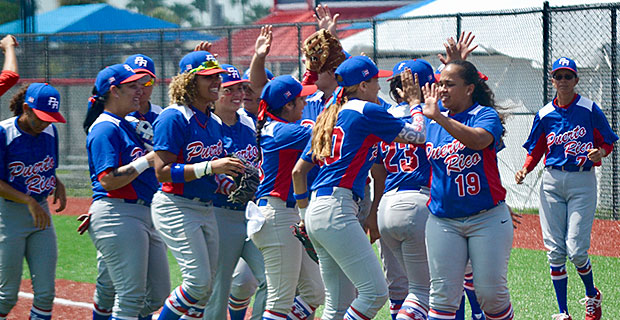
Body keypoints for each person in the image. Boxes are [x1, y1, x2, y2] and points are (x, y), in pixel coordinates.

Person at [291, 55, 426, 320]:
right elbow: (419, 135)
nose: (379, 87)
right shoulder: (366, 110)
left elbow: (299, 171)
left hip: (317, 206)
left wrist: (304, 216)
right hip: (337, 207)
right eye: (375, 80)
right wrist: (416, 105)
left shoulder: (330, 114)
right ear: (362, 85)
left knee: (337, 304)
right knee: (374, 293)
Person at [515, 57, 615, 320]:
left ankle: (592, 294)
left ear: (576, 80)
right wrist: (525, 168)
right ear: (552, 81)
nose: (563, 81)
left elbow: (608, 142)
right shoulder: (545, 113)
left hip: (582, 181)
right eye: (558, 77)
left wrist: (600, 152)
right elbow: (537, 148)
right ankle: (562, 312)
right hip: (551, 182)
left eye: (567, 76)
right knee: (555, 251)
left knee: (576, 250)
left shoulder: (589, 108)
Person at [151, 51, 245, 320]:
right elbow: (163, 172)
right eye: (208, 77)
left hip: (205, 208)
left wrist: (226, 182)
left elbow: (211, 167)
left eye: (217, 76)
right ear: (190, 82)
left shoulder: (213, 120)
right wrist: (211, 168)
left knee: (207, 289)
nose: (216, 81)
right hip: (176, 206)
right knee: (197, 284)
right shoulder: (174, 117)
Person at [421, 60, 513, 320]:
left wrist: (439, 118)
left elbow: (478, 140)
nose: (442, 90)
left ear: (470, 88)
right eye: (440, 84)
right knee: (442, 298)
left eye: (450, 84)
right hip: (442, 220)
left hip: (486, 217)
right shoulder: (430, 117)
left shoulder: (484, 115)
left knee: (491, 296)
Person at [83, 64, 170, 320]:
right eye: (132, 86)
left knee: (158, 295)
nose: (139, 91)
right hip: (118, 212)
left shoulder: (125, 124)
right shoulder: (105, 127)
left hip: (143, 211)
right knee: (130, 296)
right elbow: (107, 180)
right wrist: (148, 159)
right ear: (114, 91)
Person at [251, 75, 325, 320]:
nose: (305, 104)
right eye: (300, 100)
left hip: (285, 213)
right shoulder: (284, 131)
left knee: (315, 292)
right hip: (276, 215)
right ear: (287, 105)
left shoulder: (278, 126)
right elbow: (325, 131)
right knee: (280, 301)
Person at [370, 59, 433, 320]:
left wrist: (373, 212)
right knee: (428, 290)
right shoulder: (435, 116)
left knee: (398, 286)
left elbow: (377, 172)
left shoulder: (382, 118)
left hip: (386, 205)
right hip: (420, 203)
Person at [203, 63, 267, 320]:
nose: (238, 93)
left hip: (251, 215)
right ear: (216, 92)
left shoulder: (249, 123)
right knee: (218, 291)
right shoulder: (207, 125)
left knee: (273, 278)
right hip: (220, 215)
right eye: (229, 89)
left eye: (240, 87)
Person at [0, 83, 66, 320]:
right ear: (26, 108)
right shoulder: (4, 132)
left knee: (46, 293)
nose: (45, 123)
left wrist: (57, 182)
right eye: (41, 117)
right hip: (8, 215)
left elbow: (46, 165)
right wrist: (28, 200)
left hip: (40, 212)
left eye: (50, 118)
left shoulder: (49, 132)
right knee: (5, 295)